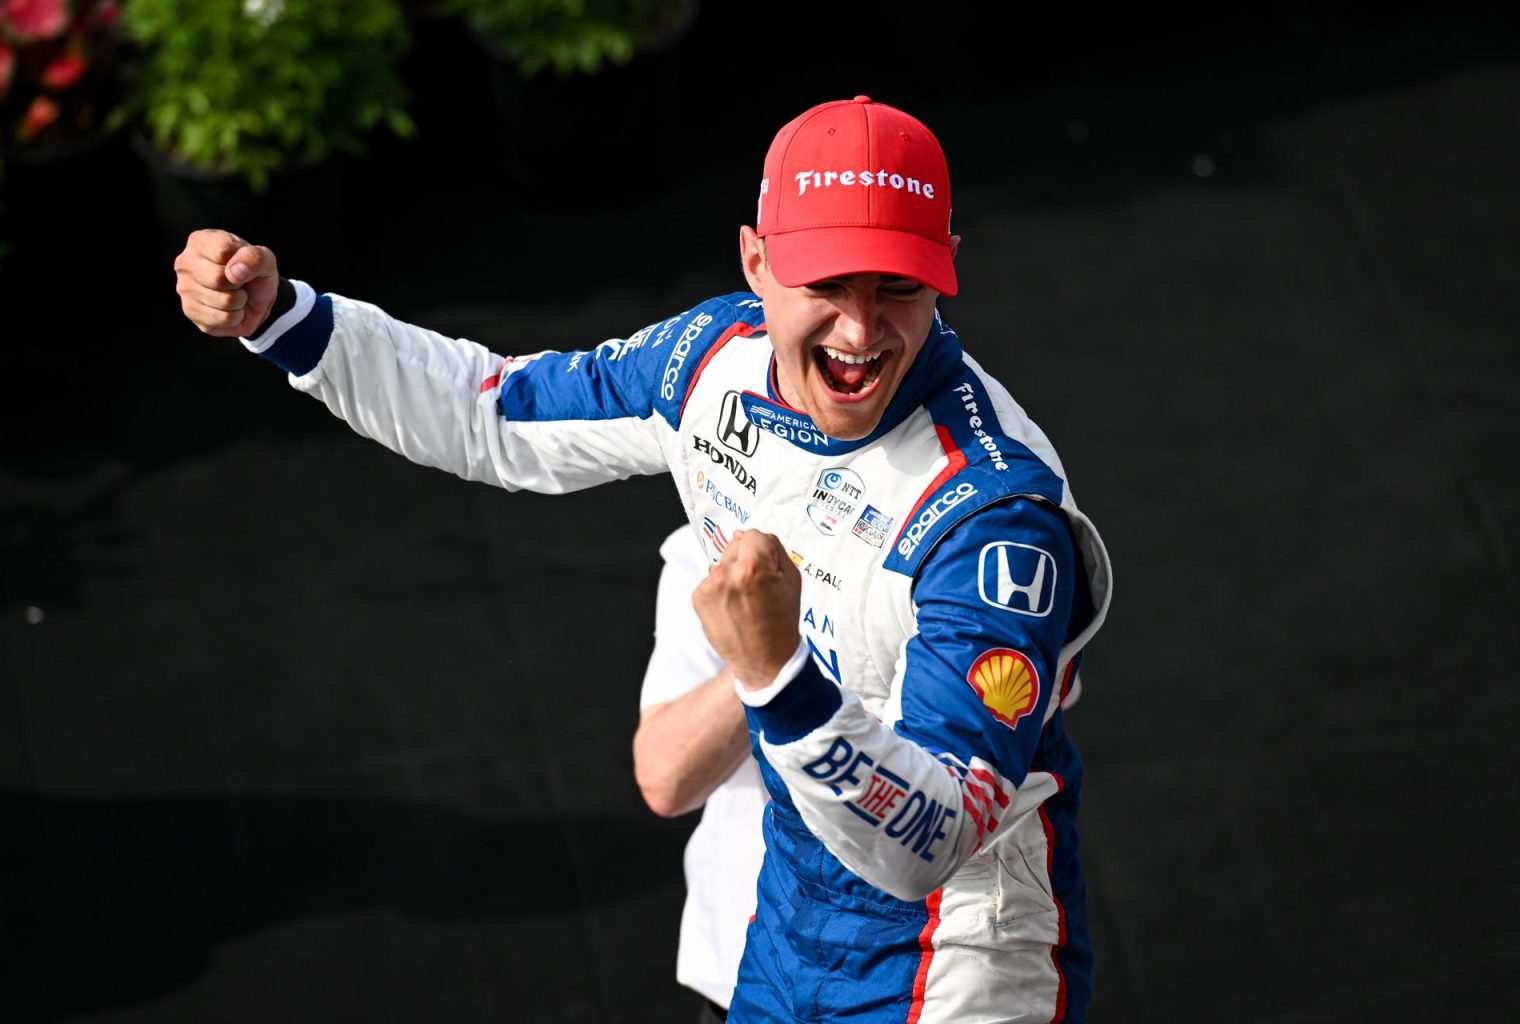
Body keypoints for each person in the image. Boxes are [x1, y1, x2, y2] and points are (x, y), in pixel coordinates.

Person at [173, 95, 1114, 1023]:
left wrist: (775, 673)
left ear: (945, 271)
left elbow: (932, 842)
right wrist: (288, 320)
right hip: (791, 908)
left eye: (896, 287)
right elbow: (491, 410)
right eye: (827, 285)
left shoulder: (993, 522)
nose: (861, 332)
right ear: (756, 263)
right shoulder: (711, 361)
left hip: (966, 945)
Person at [633, 523, 766, 1022]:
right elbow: (666, 778)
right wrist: (773, 649)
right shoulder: (713, 544)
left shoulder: (979, 538)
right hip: (750, 976)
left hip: (934, 977)